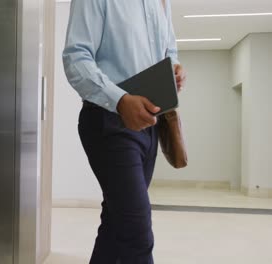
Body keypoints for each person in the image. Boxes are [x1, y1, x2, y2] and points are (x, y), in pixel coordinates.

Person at [62, 0, 187, 263]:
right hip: (109, 120)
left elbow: (169, 49)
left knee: (116, 224)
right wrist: (119, 100)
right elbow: (76, 57)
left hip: (150, 124)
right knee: (137, 234)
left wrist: (174, 67)